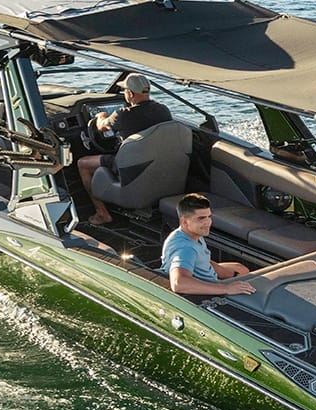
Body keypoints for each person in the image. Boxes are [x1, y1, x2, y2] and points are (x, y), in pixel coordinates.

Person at [77, 73, 172, 225]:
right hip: (158, 161)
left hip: (130, 163)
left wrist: (100, 115)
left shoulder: (122, 115)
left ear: (130, 93)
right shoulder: (163, 110)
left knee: (82, 163)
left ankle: (102, 213)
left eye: (124, 91)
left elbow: (101, 126)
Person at [160, 194, 254, 297]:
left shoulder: (192, 234)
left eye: (209, 217)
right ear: (184, 221)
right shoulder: (186, 249)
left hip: (209, 276)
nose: (208, 222)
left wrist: (233, 274)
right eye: (201, 218)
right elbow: (179, 283)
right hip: (207, 291)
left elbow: (203, 260)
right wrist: (226, 288)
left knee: (241, 269)